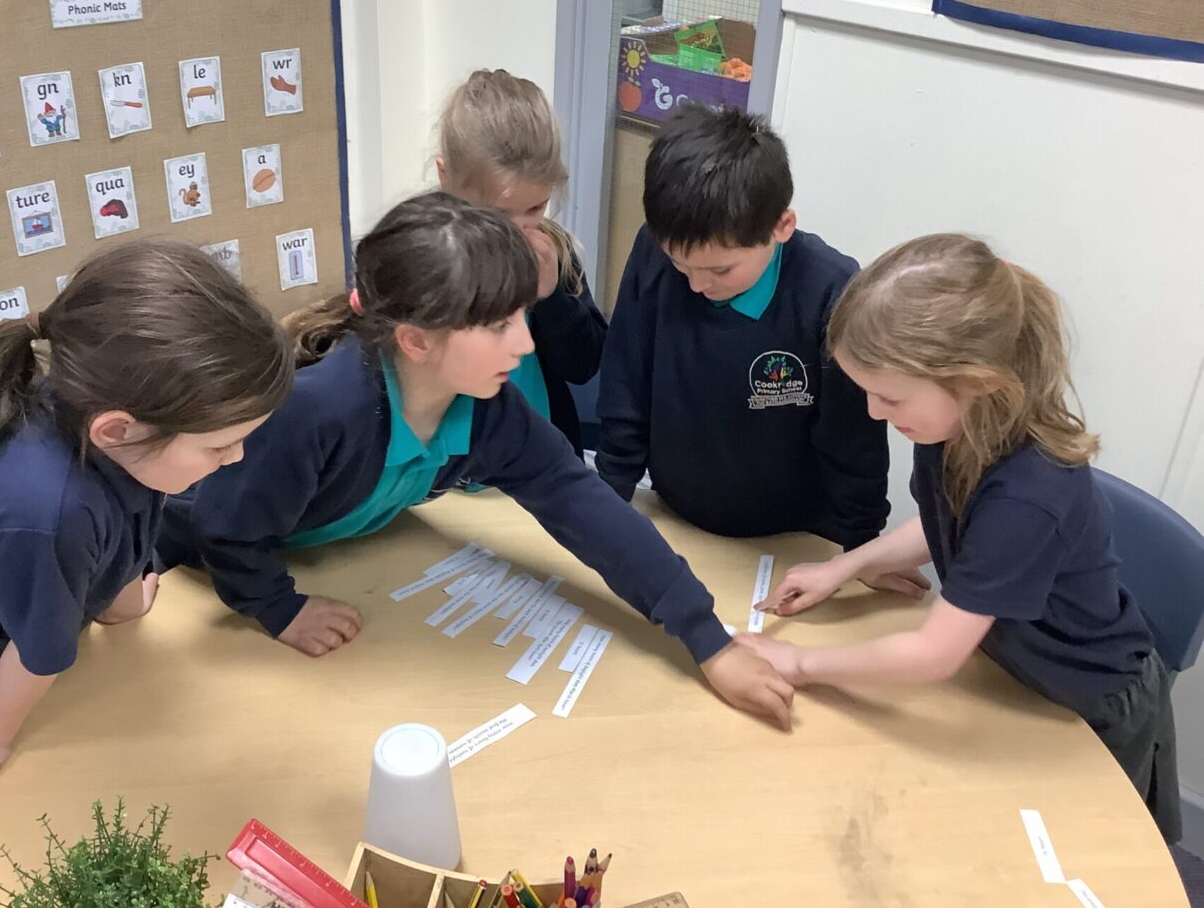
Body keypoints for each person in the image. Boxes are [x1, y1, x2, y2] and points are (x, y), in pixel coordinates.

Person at [159, 192, 794, 728]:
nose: (524, 343)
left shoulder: (487, 408)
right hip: (189, 559)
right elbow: (221, 524)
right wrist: (279, 608)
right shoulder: (321, 410)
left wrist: (707, 640)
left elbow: (582, 504)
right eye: (497, 325)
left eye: (521, 315)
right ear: (416, 341)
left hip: (333, 547)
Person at [0, 240, 296, 897]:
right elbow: (38, 652)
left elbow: (127, 523)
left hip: (21, 614)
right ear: (117, 429)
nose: (235, 459)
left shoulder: (111, 435)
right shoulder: (48, 512)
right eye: (219, 445)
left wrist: (119, 598)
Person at [742, 233, 1180, 843]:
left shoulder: (1030, 493)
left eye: (890, 397)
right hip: (1010, 673)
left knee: (1086, 852)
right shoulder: (949, 429)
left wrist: (801, 663)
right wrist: (849, 566)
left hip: (1090, 706)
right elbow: (946, 523)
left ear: (977, 381)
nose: (874, 413)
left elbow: (934, 654)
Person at [597, 103, 889, 548]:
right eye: (681, 265)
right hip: (674, 512)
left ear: (781, 226)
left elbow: (854, 443)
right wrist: (608, 500)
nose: (697, 285)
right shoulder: (653, 253)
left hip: (791, 533)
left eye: (720, 270)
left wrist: (858, 546)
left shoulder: (831, 291)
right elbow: (626, 381)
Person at [435, 68, 605, 453]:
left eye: (534, 208)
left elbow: (584, 365)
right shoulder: (423, 254)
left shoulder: (553, 251)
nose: (516, 231)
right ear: (446, 177)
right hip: (447, 466)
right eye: (497, 214)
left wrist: (552, 299)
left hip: (541, 456)